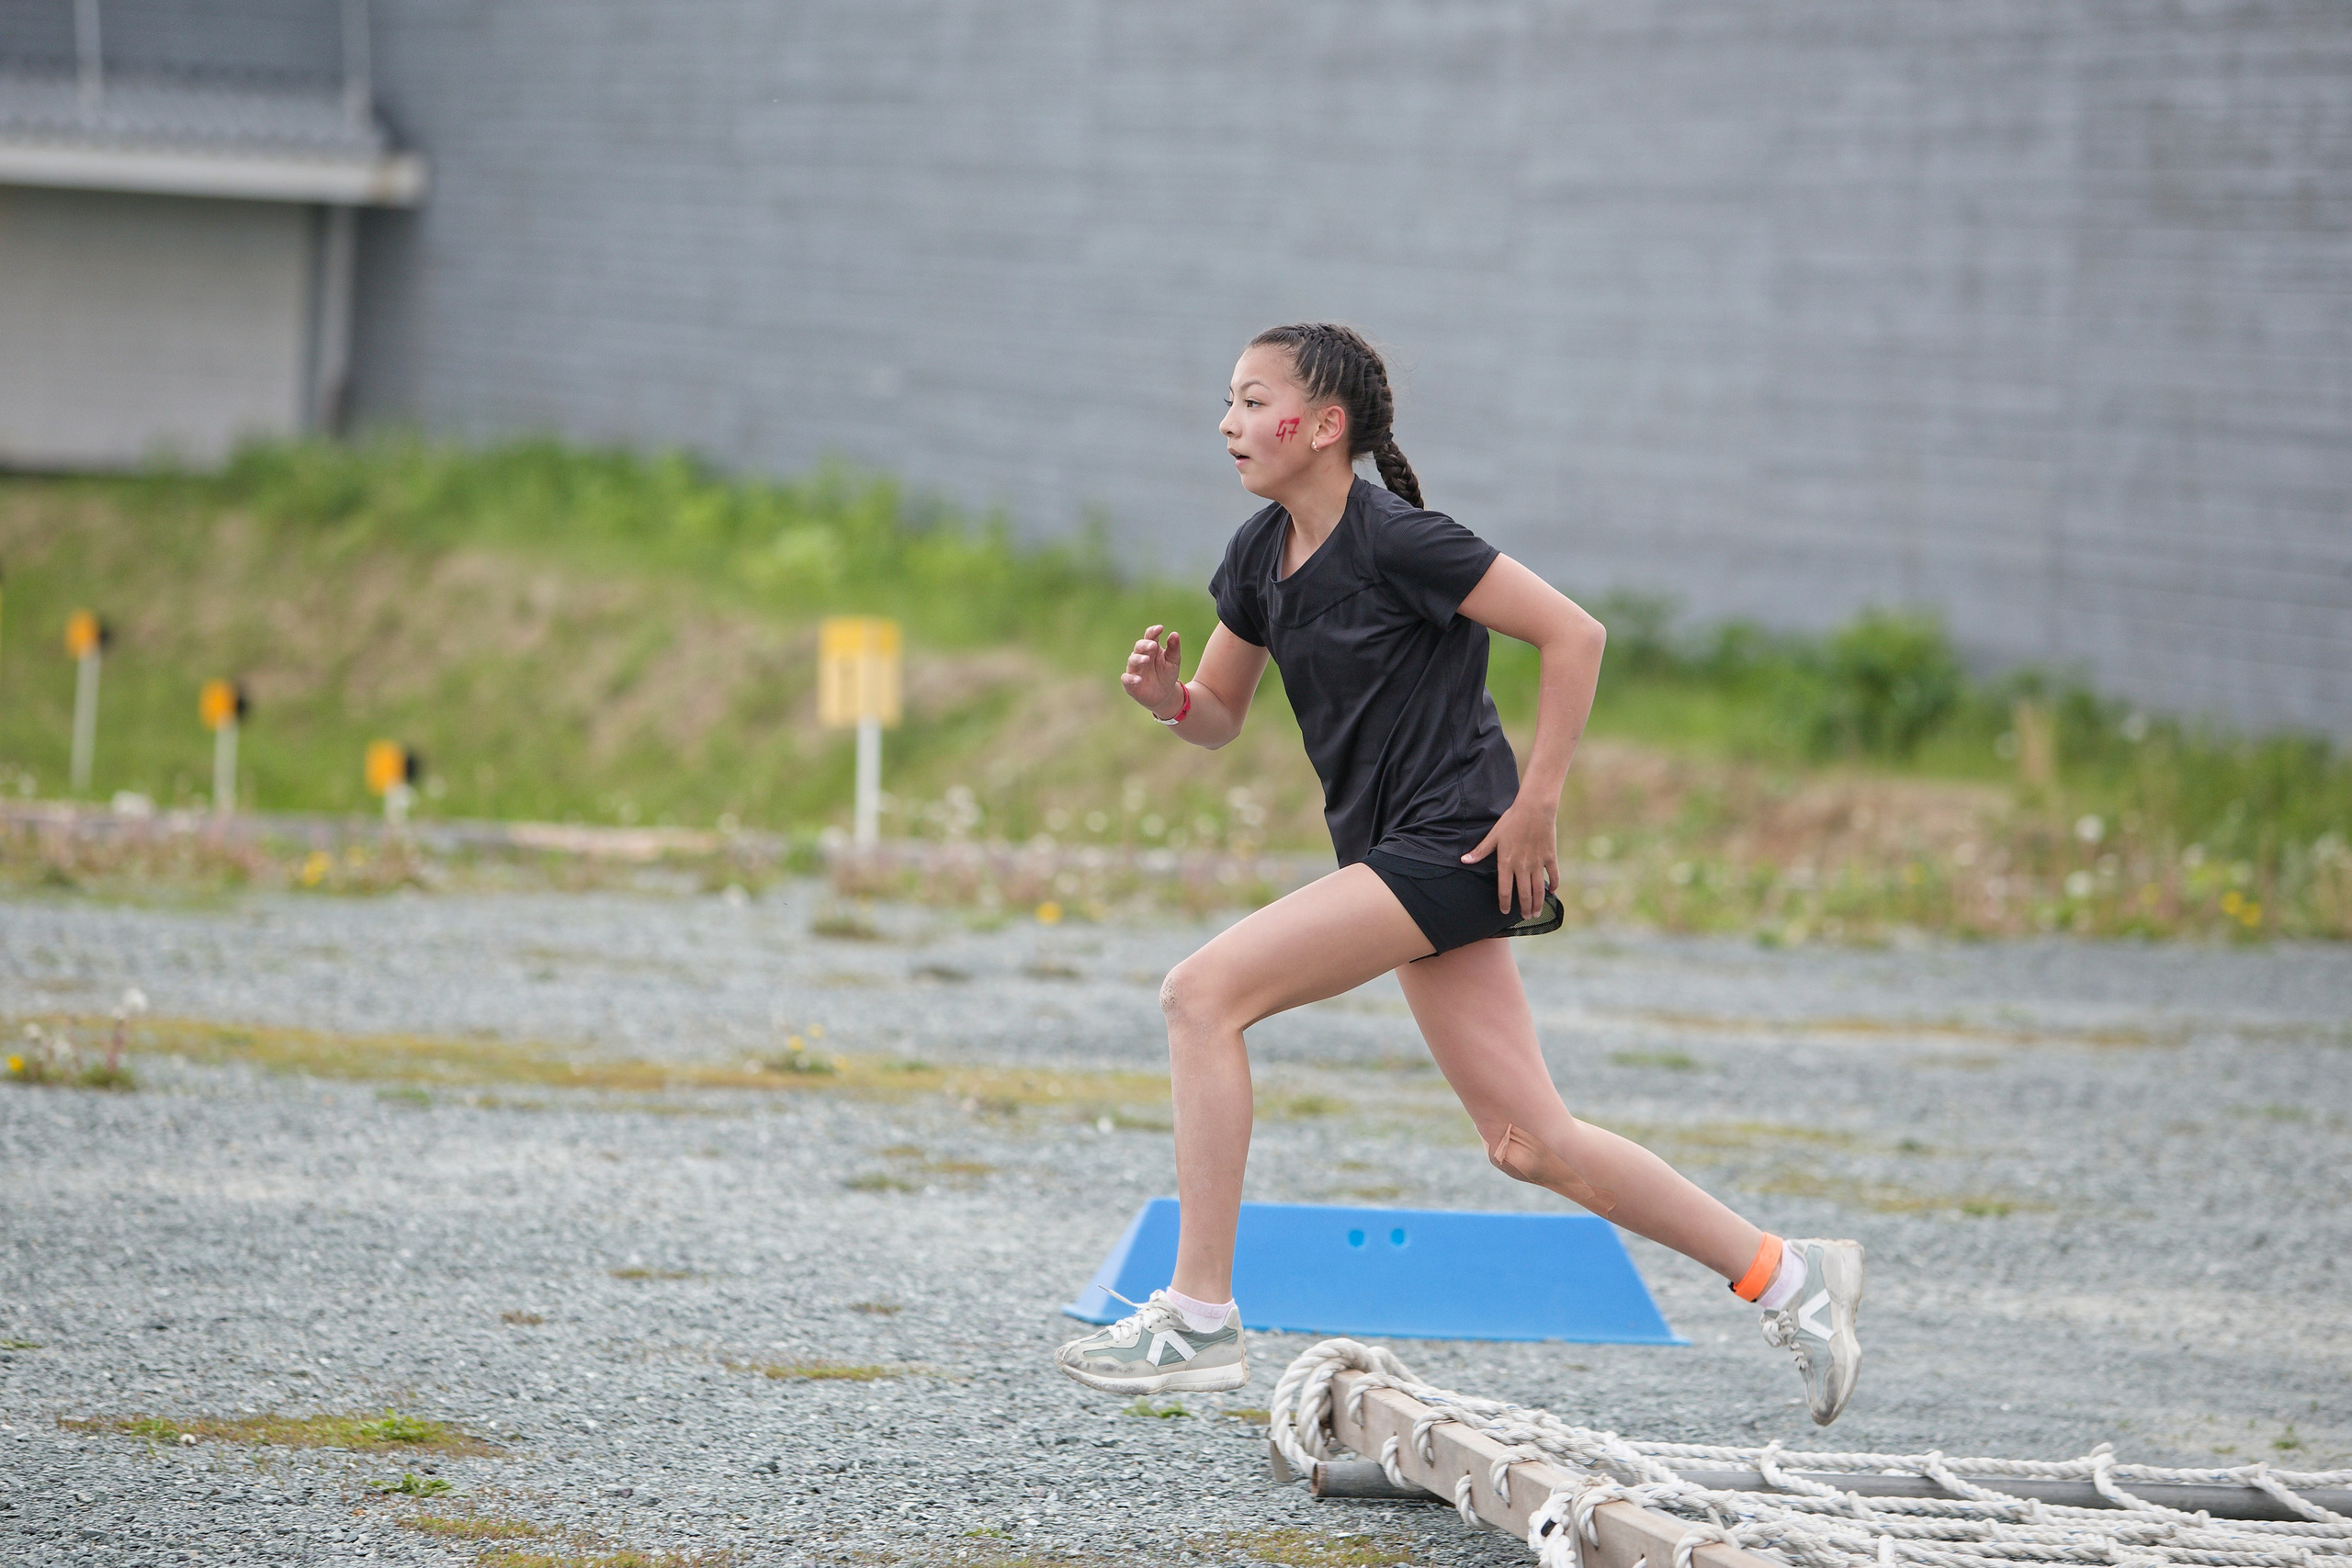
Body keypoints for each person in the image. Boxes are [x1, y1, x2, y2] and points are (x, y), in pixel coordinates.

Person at [1052, 323, 1864, 1426]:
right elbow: (1221, 714)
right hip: (1401, 855)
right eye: (1228, 402)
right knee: (1530, 1144)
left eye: (1251, 401)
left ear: (1323, 425)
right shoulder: (1255, 555)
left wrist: (1538, 801)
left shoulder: (1403, 541)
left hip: (1455, 843)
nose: (1228, 422)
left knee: (1200, 994)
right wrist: (1168, 706)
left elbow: (1575, 635)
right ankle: (1787, 1275)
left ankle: (1198, 1316)